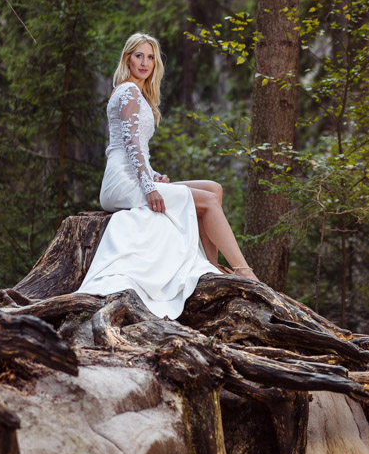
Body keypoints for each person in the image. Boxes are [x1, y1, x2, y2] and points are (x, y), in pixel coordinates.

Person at [78, 32, 257, 318]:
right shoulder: (128, 91)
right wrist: (148, 186)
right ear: (127, 58)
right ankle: (245, 271)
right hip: (122, 182)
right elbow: (129, 145)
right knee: (208, 203)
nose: (145, 62)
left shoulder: (135, 92)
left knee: (213, 189)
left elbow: (136, 148)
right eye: (139, 55)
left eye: (150, 57)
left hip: (137, 175)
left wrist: (154, 175)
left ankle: (210, 268)